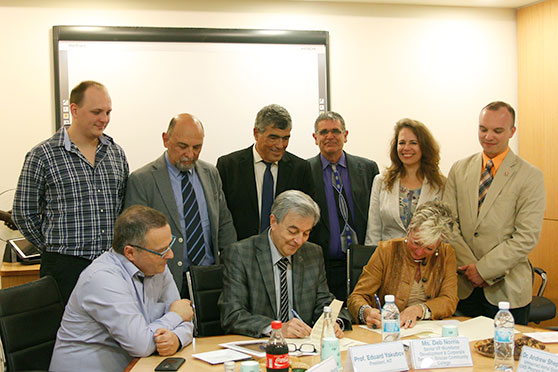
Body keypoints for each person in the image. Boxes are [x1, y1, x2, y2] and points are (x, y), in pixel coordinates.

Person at [12, 80, 128, 304]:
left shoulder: (116, 154)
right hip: (64, 269)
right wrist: (53, 247)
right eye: (96, 112)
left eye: (108, 112)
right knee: (64, 336)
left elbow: (123, 207)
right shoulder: (43, 155)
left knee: (108, 336)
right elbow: (23, 213)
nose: (104, 119)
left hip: (110, 267)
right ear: (74, 110)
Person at [49, 205, 194, 372]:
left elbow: (187, 318)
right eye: (161, 250)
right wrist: (175, 316)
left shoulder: (157, 264)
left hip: (138, 366)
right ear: (130, 252)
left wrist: (176, 338)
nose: (170, 255)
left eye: (170, 245)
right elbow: (141, 344)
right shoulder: (102, 279)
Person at [443, 101, 545, 325]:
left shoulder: (530, 176)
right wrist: (472, 269)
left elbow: (525, 237)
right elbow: (447, 224)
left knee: (508, 356)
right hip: (463, 286)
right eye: (483, 129)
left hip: (507, 292)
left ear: (512, 131)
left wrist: (484, 270)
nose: (488, 136)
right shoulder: (459, 169)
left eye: (497, 131)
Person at [125, 113, 237, 298]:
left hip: (209, 277)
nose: (190, 154)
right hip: (163, 280)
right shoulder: (143, 180)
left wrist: (232, 268)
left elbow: (224, 224)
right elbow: (134, 238)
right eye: (183, 146)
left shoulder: (210, 173)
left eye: (197, 147)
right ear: (165, 139)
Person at [219, 190, 351, 338]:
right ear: (273, 222)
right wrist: (276, 329)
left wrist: (333, 321)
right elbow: (232, 314)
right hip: (260, 348)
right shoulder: (241, 254)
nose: (299, 241)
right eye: (293, 231)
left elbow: (323, 301)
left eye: (306, 233)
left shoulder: (312, 253)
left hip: (303, 348)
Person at [348, 201, 458, 329]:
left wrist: (419, 310)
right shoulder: (386, 250)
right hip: (390, 330)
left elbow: (449, 299)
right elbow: (356, 297)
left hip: (430, 330)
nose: (419, 252)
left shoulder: (446, 253)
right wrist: (366, 311)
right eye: (416, 243)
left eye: (429, 249)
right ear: (411, 227)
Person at [308, 111, 379, 302]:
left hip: (364, 264)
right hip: (324, 266)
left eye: (335, 131)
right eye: (323, 132)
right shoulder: (304, 171)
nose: (330, 136)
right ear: (315, 138)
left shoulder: (368, 169)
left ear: (345, 135)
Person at [216, 104, 315, 240]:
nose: (280, 145)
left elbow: (307, 217)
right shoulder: (228, 166)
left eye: (285, 138)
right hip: (240, 253)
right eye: (273, 138)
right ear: (256, 133)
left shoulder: (300, 168)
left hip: (285, 253)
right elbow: (221, 218)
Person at [365, 118, 445, 246]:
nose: (406, 148)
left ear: (424, 146)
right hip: (388, 259)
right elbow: (373, 230)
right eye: (402, 143)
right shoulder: (381, 181)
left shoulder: (440, 184)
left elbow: (443, 231)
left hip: (426, 259)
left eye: (413, 143)